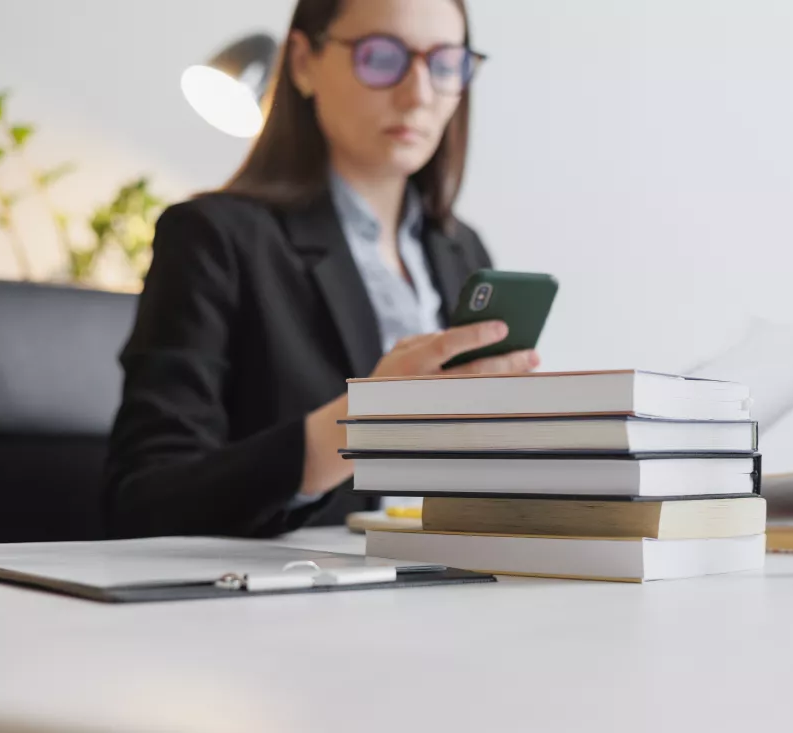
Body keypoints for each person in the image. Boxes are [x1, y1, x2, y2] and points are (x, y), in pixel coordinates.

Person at [103, 0, 539, 538]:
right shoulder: (212, 238)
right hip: (295, 583)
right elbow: (144, 499)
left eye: (445, 64)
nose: (419, 94)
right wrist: (357, 425)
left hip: (452, 571)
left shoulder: (461, 251)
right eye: (382, 57)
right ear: (304, 62)